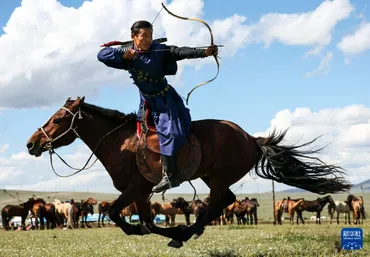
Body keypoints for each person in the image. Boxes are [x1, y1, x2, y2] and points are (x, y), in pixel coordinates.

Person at [97, 20, 218, 193]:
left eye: (150, 36)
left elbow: (179, 51)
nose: (148, 40)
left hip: (165, 99)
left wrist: (203, 52)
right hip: (146, 101)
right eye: (143, 36)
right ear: (133, 37)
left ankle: (170, 175)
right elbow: (102, 55)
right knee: (139, 133)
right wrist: (123, 56)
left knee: (170, 130)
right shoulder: (128, 53)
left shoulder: (159, 50)